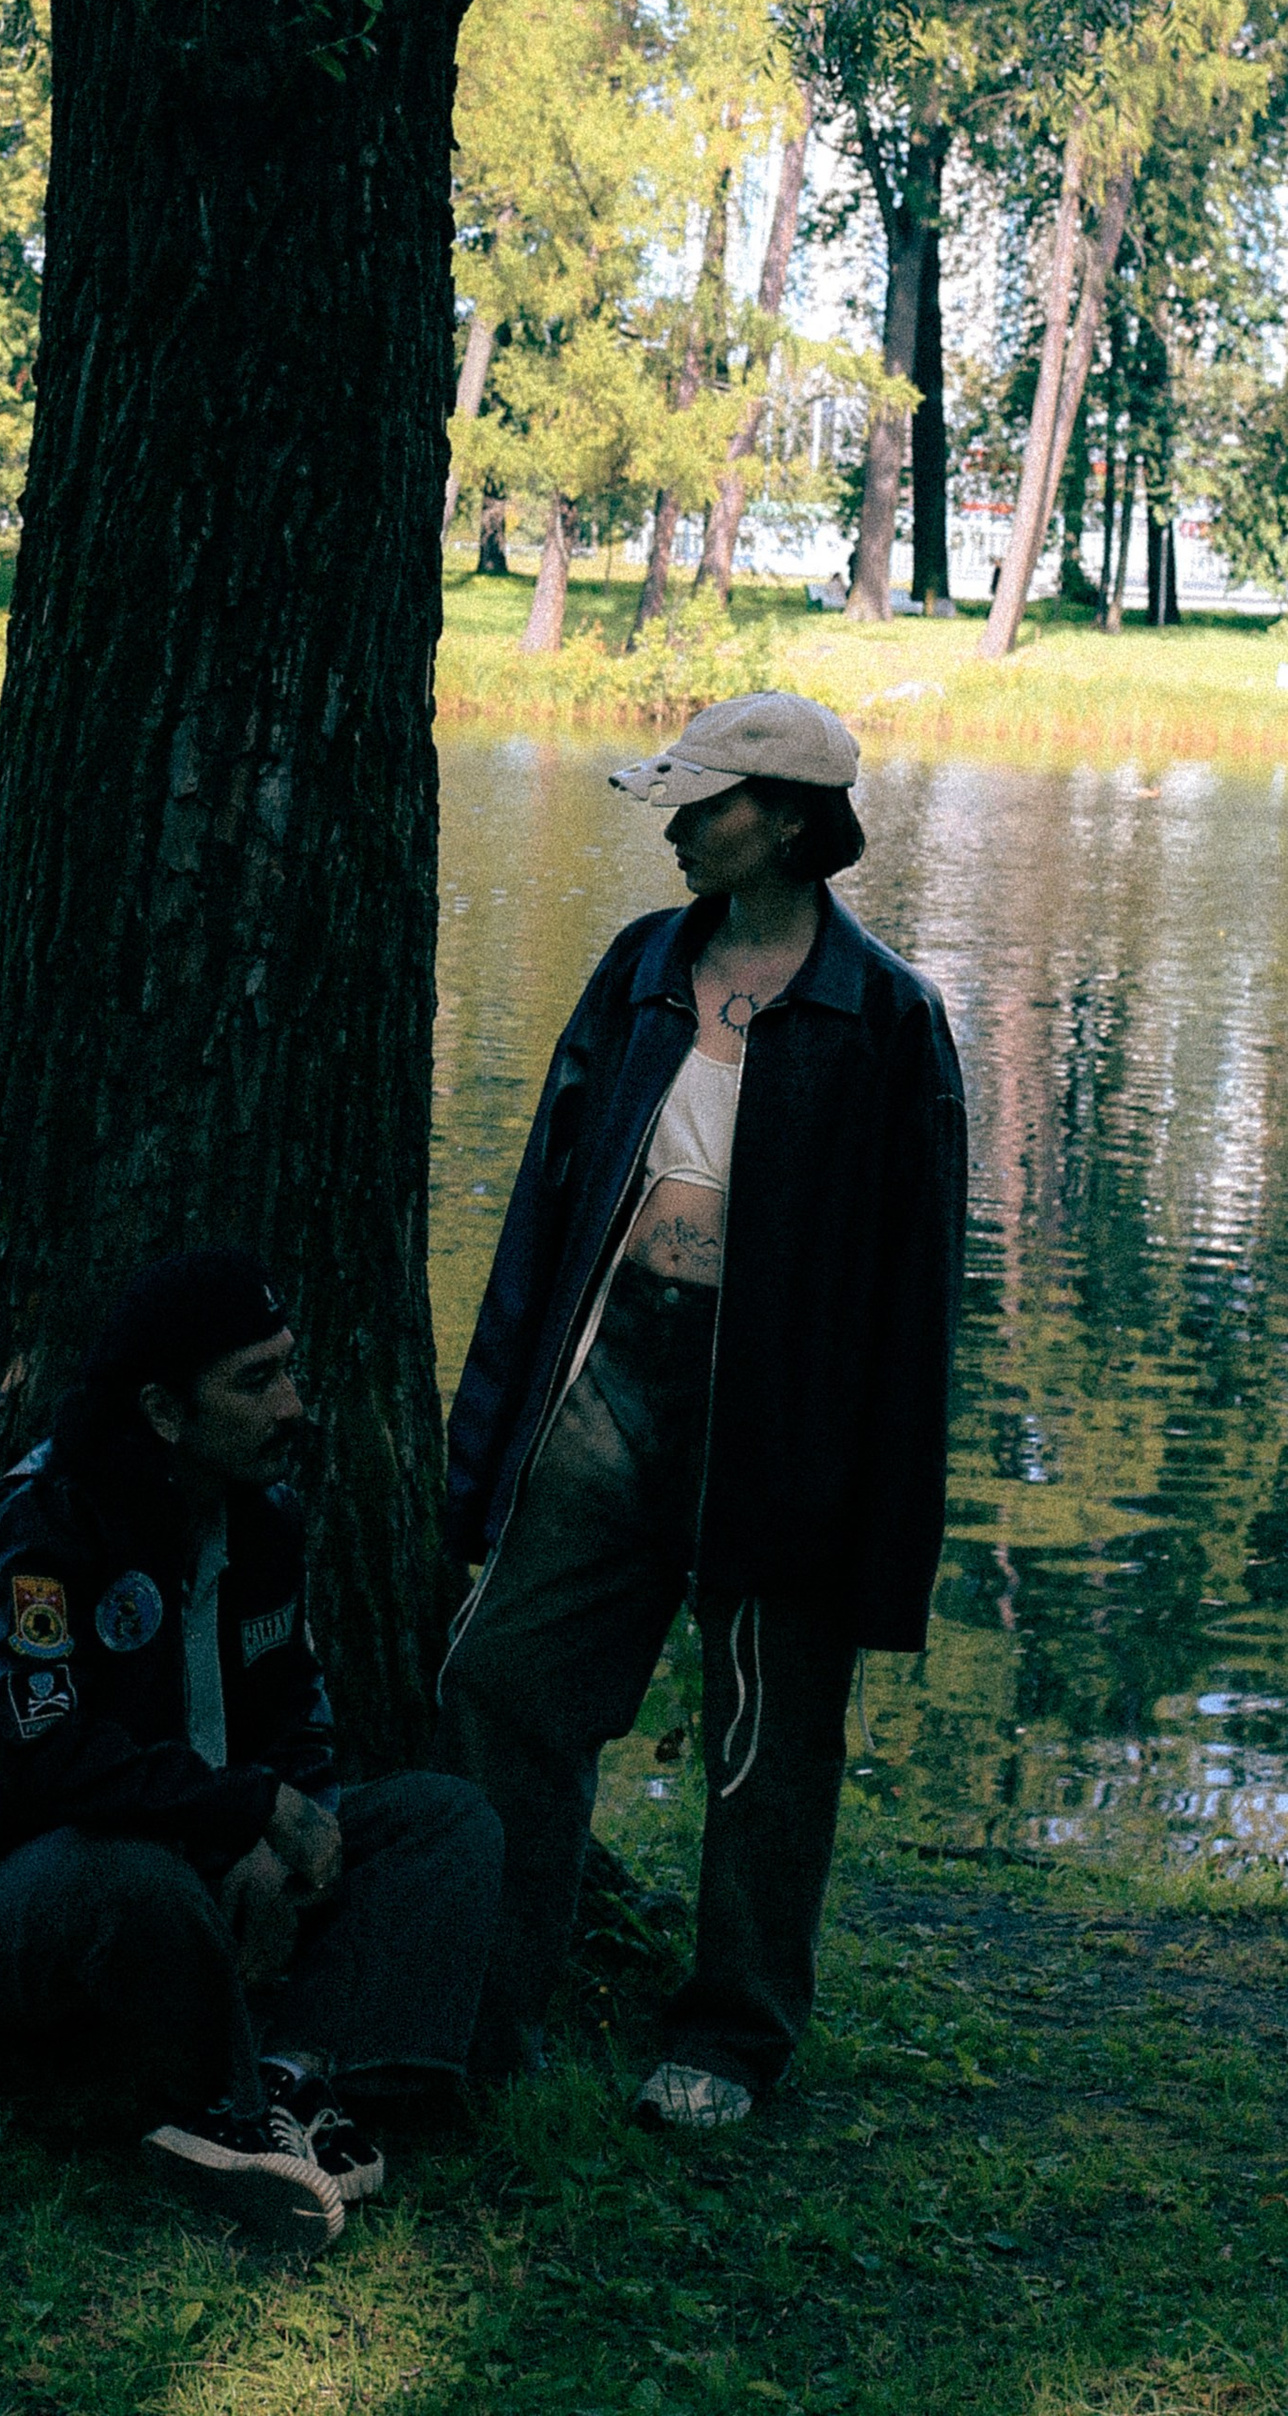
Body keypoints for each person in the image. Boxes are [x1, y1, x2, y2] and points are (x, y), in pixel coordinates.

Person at [436, 690, 965, 2131]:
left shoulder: (889, 1023)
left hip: (786, 1431)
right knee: (507, 1678)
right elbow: (544, 1224)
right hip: (610, 1385)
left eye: (705, 803)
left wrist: (883, 1542)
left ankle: (731, 2036)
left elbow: (915, 1312)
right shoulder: (635, 973)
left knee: (770, 1738)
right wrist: (475, 1459)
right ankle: (486, 2005)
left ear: (790, 823)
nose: (674, 824)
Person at [0, 1246, 504, 2256]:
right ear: (165, 1413)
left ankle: (290, 2081)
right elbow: (44, 1759)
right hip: (15, 1883)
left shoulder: (266, 1518)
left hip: (203, 1855)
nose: (292, 1405)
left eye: (288, 1369)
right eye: (255, 1381)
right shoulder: (43, 1527)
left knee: (445, 1821)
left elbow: (295, 1706)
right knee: (130, 1883)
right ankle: (224, 2099)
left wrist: (286, 1829)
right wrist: (245, 1809)